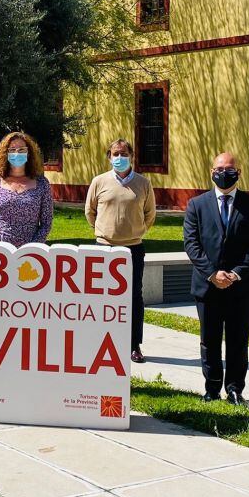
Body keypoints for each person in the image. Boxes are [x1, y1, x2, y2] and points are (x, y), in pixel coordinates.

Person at [182, 152, 249, 405]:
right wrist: (212, 273)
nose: (224, 173)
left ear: (239, 173)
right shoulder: (196, 205)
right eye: (219, 168)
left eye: (229, 169)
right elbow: (192, 243)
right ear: (211, 172)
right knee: (209, 341)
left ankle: (234, 389)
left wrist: (236, 273)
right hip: (207, 286)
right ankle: (211, 388)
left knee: (238, 341)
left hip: (241, 287)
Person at [85, 138, 156, 364]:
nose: (119, 158)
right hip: (105, 248)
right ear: (109, 157)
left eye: (124, 153)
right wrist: (104, 231)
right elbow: (90, 211)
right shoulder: (99, 182)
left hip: (133, 248)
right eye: (115, 154)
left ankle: (134, 345)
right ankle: (101, 343)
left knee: (134, 296)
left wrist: (138, 230)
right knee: (102, 298)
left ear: (132, 156)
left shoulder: (143, 184)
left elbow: (150, 213)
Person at [0, 132, 53, 246]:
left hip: (31, 255)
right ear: (5, 153)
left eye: (22, 150)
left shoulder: (42, 184)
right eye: (12, 149)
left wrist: (32, 247)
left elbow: (46, 223)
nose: (17, 153)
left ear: (28, 154)